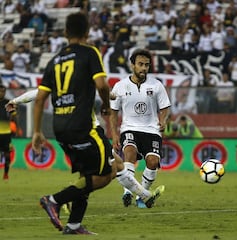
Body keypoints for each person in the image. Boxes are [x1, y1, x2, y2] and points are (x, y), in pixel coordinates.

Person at [32, 13, 164, 235]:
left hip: (59, 127)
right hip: (83, 127)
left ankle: (73, 225)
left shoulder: (54, 60)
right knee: (105, 174)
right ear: (87, 33)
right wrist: (105, 103)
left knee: (90, 174)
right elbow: (102, 84)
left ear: (65, 33)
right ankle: (54, 200)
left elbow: (39, 99)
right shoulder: (89, 53)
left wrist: (36, 130)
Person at [110, 48, 171, 208]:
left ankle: (142, 194)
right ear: (132, 65)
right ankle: (127, 193)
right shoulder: (120, 86)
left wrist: (163, 120)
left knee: (152, 162)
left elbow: (165, 107)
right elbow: (113, 113)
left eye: (147, 65)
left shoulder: (156, 85)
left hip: (152, 130)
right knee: (129, 153)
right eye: (140, 64)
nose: (144, 68)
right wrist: (115, 135)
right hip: (129, 128)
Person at [0, 84, 18, 180]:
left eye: (3, 91)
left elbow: (14, 116)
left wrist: (17, 129)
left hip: (6, 133)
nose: (2, 93)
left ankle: (6, 174)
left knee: (7, 155)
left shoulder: (8, 103)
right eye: (0, 91)